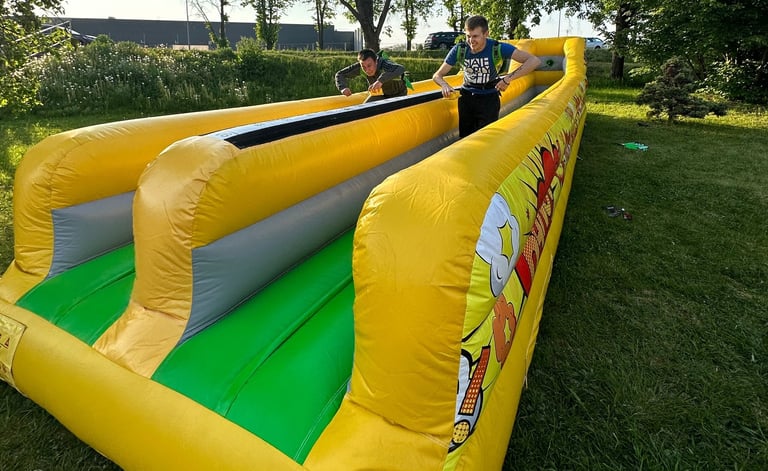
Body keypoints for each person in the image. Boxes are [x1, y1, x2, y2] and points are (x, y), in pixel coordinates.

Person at [432, 15, 541, 138]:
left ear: (486, 34)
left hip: (489, 98)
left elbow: (534, 61)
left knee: (485, 138)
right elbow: (437, 75)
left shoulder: (497, 48)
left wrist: (507, 79)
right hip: (466, 98)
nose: (471, 41)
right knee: (465, 139)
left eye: (475, 36)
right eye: (468, 36)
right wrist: (444, 85)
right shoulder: (460, 50)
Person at [335, 49, 408, 103]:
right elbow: (340, 74)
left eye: (369, 65)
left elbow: (400, 68)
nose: (367, 70)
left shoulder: (384, 64)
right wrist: (343, 87)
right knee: (365, 107)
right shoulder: (360, 67)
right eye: (363, 67)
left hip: (400, 95)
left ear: (376, 61)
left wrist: (380, 81)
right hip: (384, 96)